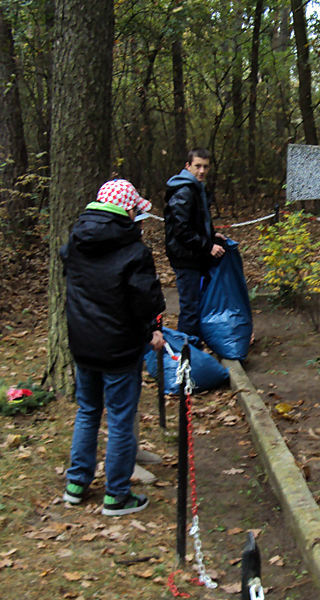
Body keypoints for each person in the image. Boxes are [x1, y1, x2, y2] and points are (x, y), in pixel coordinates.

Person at [60, 179, 166, 516]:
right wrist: (151, 328)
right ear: (127, 210)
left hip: (83, 343)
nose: (139, 215)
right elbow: (146, 301)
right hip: (119, 348)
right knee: (120, 418)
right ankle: (116, 495)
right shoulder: (134, 252)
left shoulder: (75, 243)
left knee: (88, 411)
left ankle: (76, 485)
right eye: (136, 209)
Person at [164, 148, 226, 342]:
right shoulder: (184, 190)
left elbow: (195, 221)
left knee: (197, 304)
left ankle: (195, 347)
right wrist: (208, 246)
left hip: (193, 254)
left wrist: (210, 234)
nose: (201, 171)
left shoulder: (197, 188)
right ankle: (186, 355)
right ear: (188, 166)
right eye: (197, 166)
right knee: (190, 308)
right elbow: (181, 229)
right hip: (185, 257)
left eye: (205, 167)